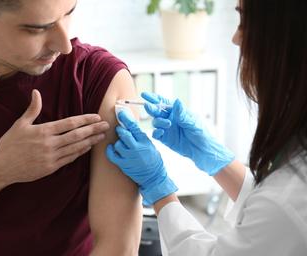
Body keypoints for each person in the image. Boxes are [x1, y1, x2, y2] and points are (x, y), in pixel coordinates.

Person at [0, 0, 142, 255]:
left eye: (69, 13)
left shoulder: (99, 79)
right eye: (37, 29)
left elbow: (119, 248)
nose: (64, 44)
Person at [107, 0, 307, 255]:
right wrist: (209, 154)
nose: (236, 39)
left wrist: (159, 188)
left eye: (244, 22)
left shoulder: (288, 201)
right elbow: (270, 207)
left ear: (285, 39)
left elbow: (277, 212)